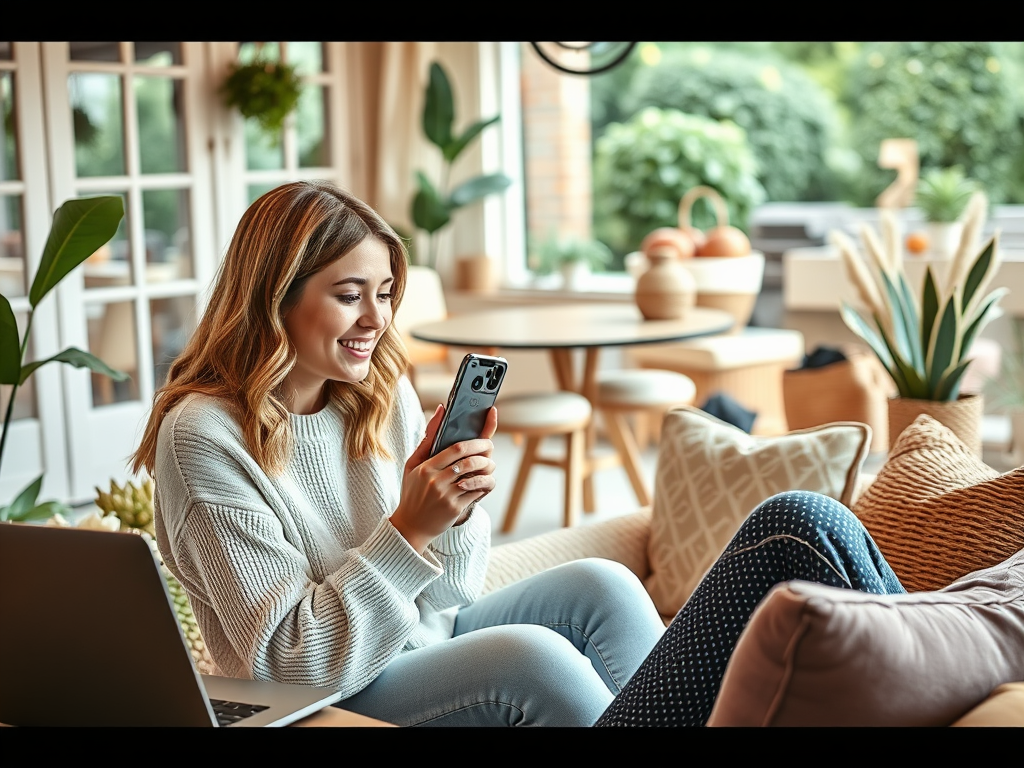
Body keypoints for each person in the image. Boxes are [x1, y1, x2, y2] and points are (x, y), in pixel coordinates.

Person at [130, 180, 905, 728]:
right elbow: (293, 662)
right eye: (349, 293)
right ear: (276, 295)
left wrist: (453, 509)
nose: (377, 318)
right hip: (320, 692)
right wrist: (408, 531)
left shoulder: (375, 392)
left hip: (410, 639)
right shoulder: (205, 437)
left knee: (604, 585)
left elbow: (457, 589)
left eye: (386, 290)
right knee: (534, 660)